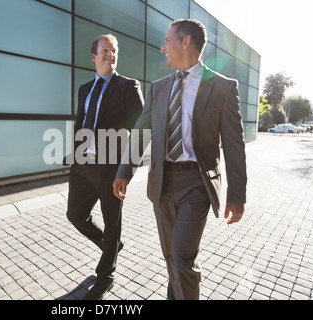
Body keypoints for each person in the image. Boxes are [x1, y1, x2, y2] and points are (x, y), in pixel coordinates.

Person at [113, 19, 247, 300]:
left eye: (167, 41)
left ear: (185, 42)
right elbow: (141, 132)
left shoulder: (222, 87)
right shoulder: (158, 88)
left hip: (196, 183)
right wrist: (125, 170)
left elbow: (234, 146)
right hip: (161, 182)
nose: (163, 48)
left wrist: (237, 194)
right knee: (170, 256)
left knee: (182, 258)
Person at [65, 34, 144, 300]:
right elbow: (81, 121)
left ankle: (105, 276)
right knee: (75, 215)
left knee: (113, 223)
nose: (110, 54)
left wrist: (126, 169)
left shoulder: (127, 86)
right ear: (94, 57)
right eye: (105, 50)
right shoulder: (85, 88)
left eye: (114, 51)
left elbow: (141, 129)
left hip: (111, 168)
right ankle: (111, 245)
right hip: (83, 165)